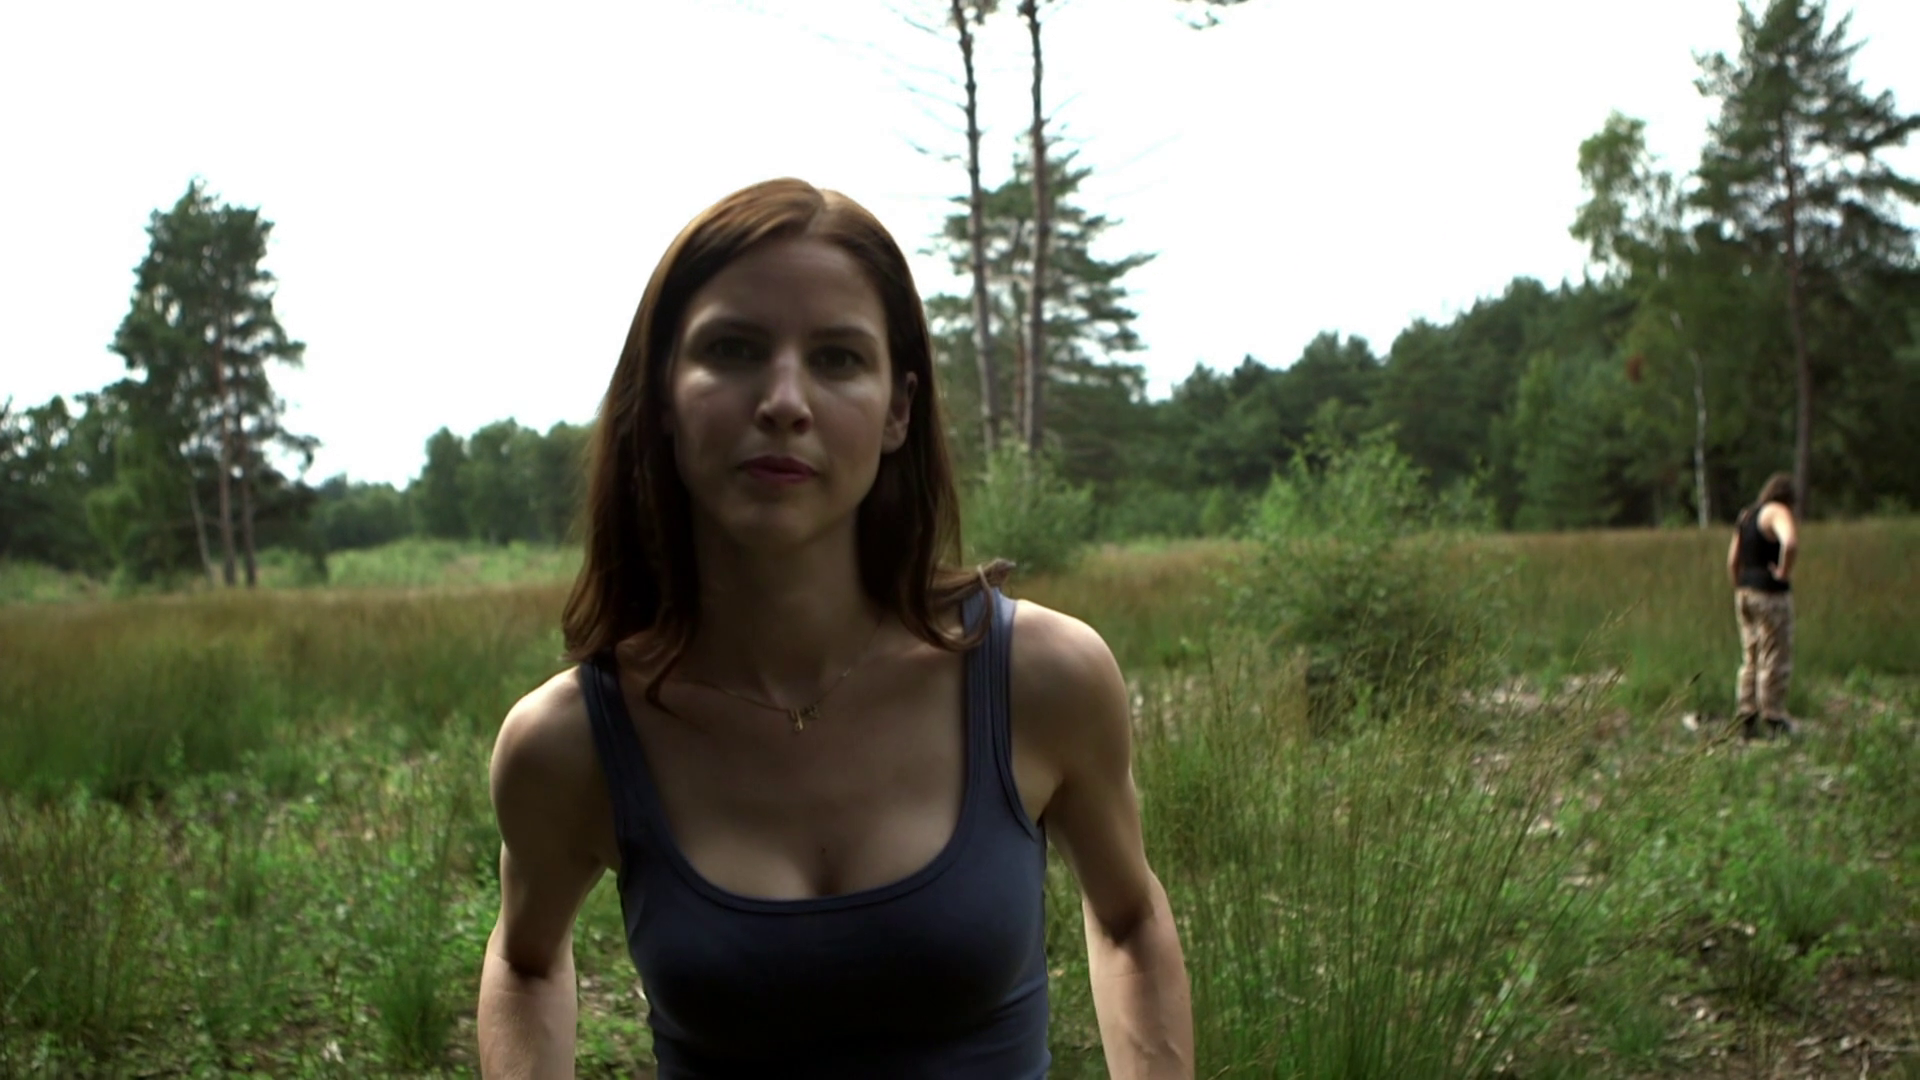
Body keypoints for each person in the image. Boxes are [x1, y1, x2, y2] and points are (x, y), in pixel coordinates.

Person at [476, 178, 1193, 1078]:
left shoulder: (1038, 680)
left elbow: (1129, 923)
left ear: (898, 408)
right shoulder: (570, 743)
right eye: (733, 349)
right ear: (661, 395)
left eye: (838, 358)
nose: (784, 399)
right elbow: (525, 961)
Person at [1726, 472, 1799, 740]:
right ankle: (1773, 714)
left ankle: (1746, 712)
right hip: (1770, 594)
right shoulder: (1777, 511)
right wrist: (1783, 573)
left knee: (1751, 655)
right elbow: (1790, 542)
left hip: (1745, 591)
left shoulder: (1746, 516)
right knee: (1774, 654)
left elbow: (1733, 560)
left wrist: (1740, 586)